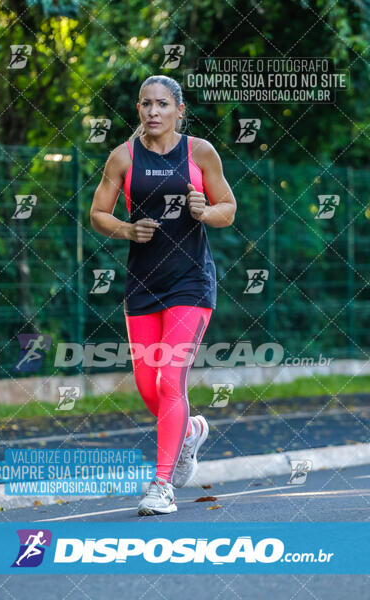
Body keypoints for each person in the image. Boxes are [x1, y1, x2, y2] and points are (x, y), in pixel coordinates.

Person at [90, 75, 236, 516]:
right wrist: (127, 229)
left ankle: (161, 484)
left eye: (162, 105)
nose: (153, 112)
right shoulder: (122, 157)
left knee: (170, 380)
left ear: (178, 110)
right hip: (143, 283)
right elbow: (98, 213)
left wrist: (204, 210)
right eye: (145, 104)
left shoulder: (199, 152)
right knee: (147, 387)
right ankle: (190, 431)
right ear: (138, 109)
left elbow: (228, 208)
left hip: (190, 282)